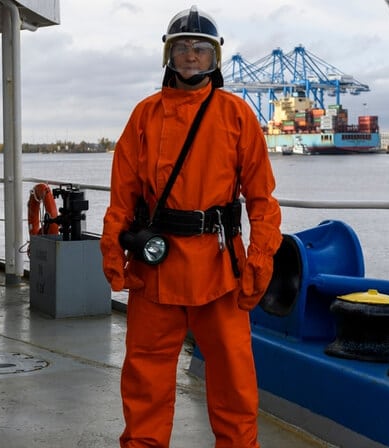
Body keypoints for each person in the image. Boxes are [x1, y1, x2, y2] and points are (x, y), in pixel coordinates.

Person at [100, 5, 282, 448]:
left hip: (219, 270)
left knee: (234, 385)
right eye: (181, 47)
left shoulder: (237, 115)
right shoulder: (144, 115)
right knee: (144, 381)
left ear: (215, 57)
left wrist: (260, 260)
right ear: (168, 55)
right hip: (155, 269)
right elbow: (123, 192)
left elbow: (262, 199)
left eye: (201, 48)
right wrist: (112, 249)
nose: (191, 55)